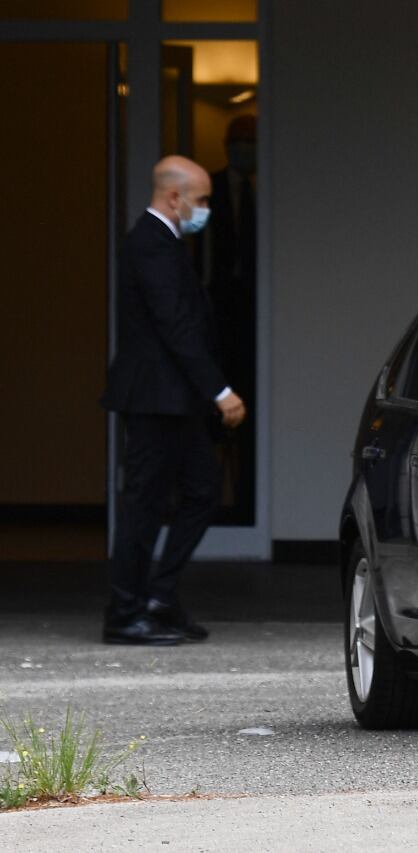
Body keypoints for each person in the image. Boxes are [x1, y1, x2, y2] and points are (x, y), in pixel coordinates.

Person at [100, 155, 246, 645]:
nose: (206, 210)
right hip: (156, 399)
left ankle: (159, 596)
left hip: (174, 400)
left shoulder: (165, 242)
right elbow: (175, 325)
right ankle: (124, 613)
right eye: (202, 200)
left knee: (202, 491)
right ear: (174, 197)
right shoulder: (150, 243)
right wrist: (219, 391)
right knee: (143, 506)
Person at [199, 115, 258, 524]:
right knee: (215, 415)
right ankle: (208, 503)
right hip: (218, 317)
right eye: (238, 142)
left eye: (250, 142)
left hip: (255, 321)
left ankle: (247, 504)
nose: (244, 150)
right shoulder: (212, 190)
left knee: (251, 417)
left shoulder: (267, 189)